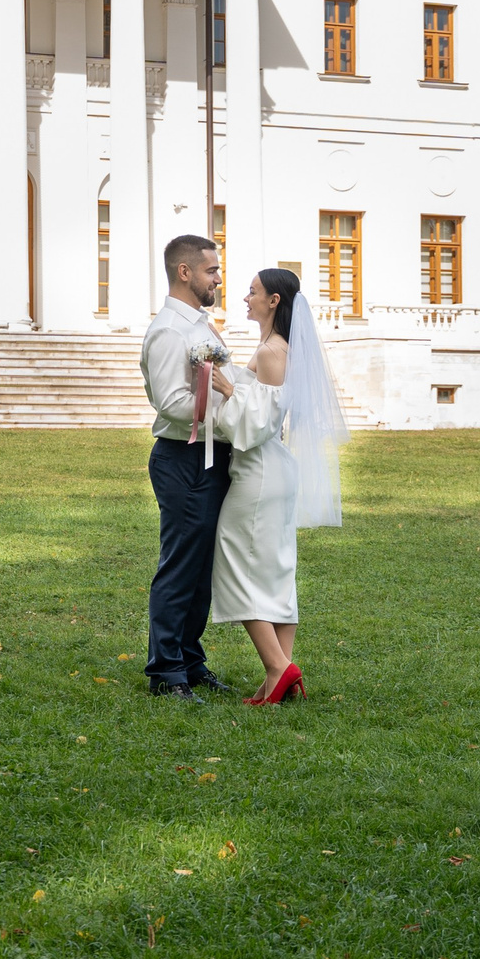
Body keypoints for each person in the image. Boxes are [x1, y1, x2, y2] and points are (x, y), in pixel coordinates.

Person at [206, 267, 348, 704]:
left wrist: (228, 391)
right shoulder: (276, 348)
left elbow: (260, 426)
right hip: (275, 470)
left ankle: (279, 667)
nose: (245, 298)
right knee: (275, 571)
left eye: (253, 292)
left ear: (274, 301)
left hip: (260, 471)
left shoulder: (272, 352)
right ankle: (276, 683)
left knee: (235, 563)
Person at [138, 233, 238, 702]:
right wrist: (232, 410)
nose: (218, 278)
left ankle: (191, 662)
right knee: (180, 565)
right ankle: (166, 671)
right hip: (183, 457)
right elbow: (172, 402)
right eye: (211, 270)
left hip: (212, 455)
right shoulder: (168, 331)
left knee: (201, 569)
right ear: (185, 272)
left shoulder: (201, 325)